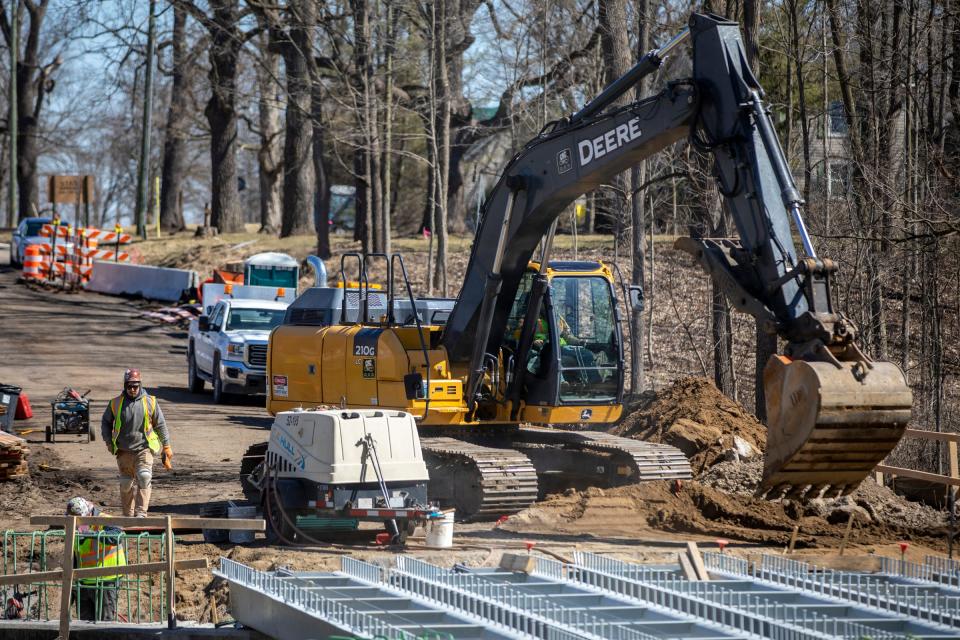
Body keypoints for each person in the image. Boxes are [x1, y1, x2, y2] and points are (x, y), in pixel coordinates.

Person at [100, 369, 173, 517]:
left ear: (140, 385)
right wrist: (108, 442)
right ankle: (128, 515)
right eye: (130, 386)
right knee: (126, 483)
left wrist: (166, 446)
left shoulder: (150, 402)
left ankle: (141, 513)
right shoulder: (115, 403)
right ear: (125, 386)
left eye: (136, 386)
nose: (133, 389)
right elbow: (105, 423)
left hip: (144, 449)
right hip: (123, 450)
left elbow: (160, 424)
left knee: (144, 477)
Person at [66, 497, 126, 621]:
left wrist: (92, 535)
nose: (77, 523)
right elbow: (75, 555)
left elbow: (117, 536)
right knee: (84, 625)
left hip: (106, 580)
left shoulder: (104, 520)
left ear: (88, 513)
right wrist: (72, 584)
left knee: (104, 624)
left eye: (80, 519)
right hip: (83, 583)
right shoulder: (73, 526)